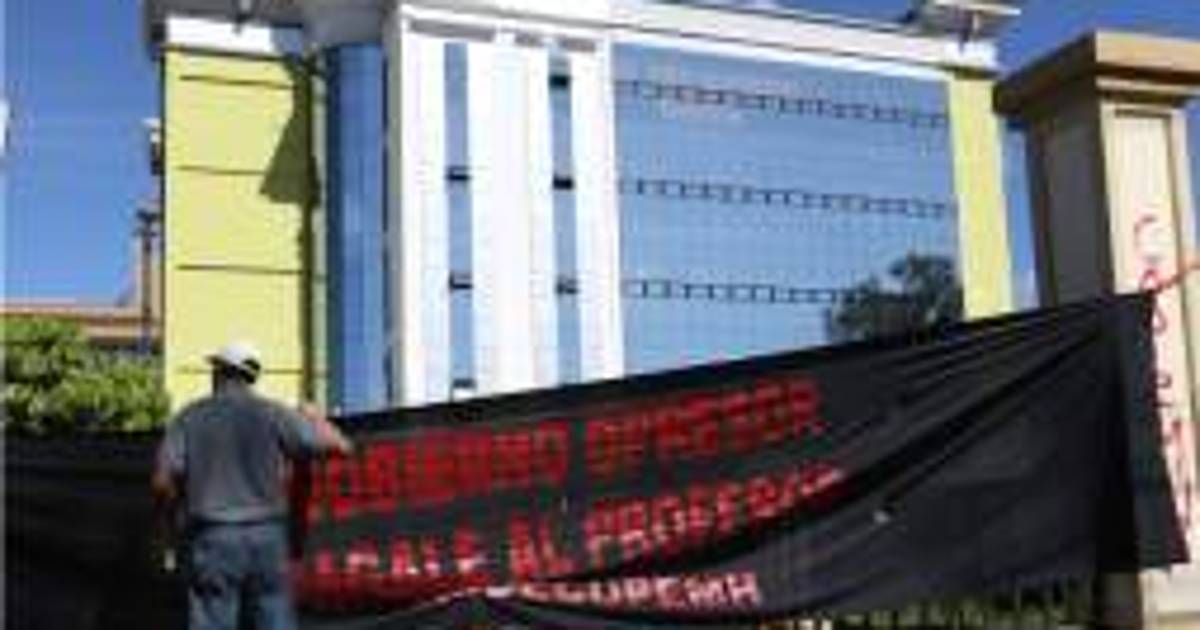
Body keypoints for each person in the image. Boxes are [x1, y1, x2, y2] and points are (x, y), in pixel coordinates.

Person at [152, 340, 352, 630]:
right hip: (267, 539)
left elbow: (161, 482)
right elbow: (341, 446)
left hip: (213, 538)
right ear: (251, 376)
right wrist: (313, 416)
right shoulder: (275, 414)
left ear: (218, 372)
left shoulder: (189, 418)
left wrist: (169, 524)